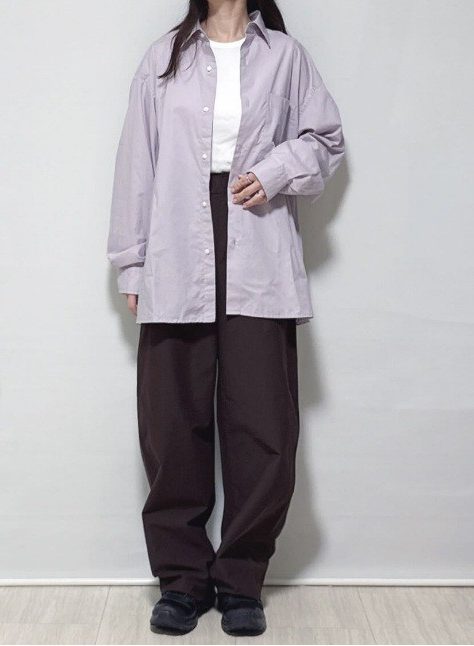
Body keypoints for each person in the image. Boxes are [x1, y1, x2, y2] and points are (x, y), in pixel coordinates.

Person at [106, 0, 344, 636]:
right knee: (170, 422)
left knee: (263, 425)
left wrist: (276, 170)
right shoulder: (164, 57)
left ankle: (241, 581)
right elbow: (136, 161)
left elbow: (326, 139)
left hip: (258, 247)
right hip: (175, 247)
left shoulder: (285, 56)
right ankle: (181, 581)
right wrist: (133, 263)